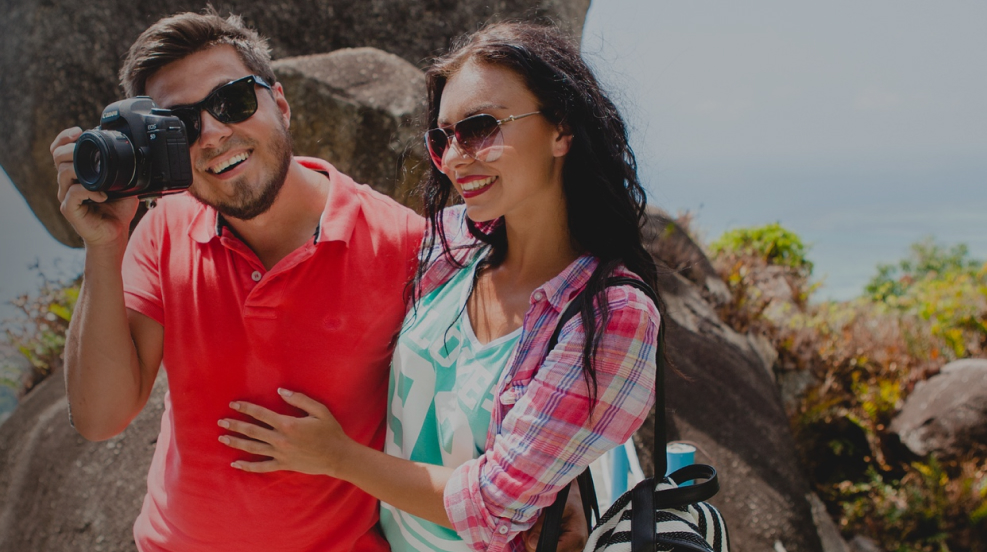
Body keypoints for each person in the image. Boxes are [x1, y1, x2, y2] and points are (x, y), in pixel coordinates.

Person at [215, 22, 663, 552]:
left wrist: (336, 456)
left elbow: (493, 507)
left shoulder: (611, 316)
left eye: (479, 129)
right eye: (442, 138)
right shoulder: (453, 246)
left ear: (561, 129)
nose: (453, 159)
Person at [51, 10, 424, 552]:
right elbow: (101, 418)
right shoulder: (164, 229)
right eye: (180, 126)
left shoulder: (402, 244)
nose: (212, 133)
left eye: (232, 102)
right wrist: (104, 246)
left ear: (282, 104)